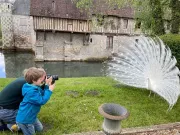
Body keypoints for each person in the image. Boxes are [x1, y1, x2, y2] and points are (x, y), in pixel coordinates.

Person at [16, 67, 55, 135]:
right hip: (26, 120)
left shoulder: (33, 86)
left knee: (40, 129)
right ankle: (16, 127)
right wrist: (49, 90)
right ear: (34, 80)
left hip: (31, 116)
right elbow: (41, 101)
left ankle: (20, 127)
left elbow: (41, 93)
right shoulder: (31, 92)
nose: (42, 80)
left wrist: (46, 85)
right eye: (40, 79)